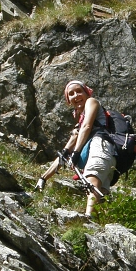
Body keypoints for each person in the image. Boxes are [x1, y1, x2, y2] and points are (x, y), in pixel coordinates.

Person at [36, 80, 116, 218]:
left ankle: (87, 217)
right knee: (101, 193)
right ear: (69, 100)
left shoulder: (92, 102)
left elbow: (87, 127)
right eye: (71, 94)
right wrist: (43, 178)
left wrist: (76, 153)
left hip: (101, 145)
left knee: (92, 176)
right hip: (106, 154)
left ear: (87, 93)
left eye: (79, 91)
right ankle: (97, 223)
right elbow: (64, 154)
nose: (76, 95)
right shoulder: (80, 121)